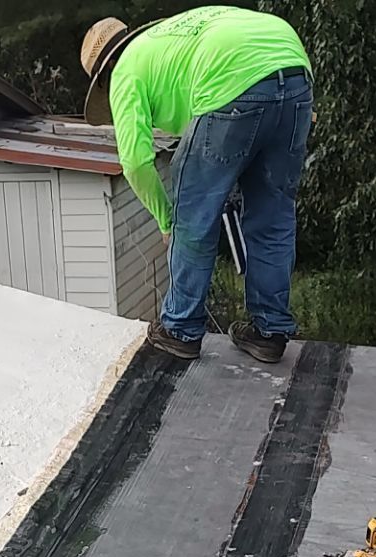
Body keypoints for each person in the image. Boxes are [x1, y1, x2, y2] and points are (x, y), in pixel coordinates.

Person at [81, 7, 312, 363]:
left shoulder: (125, 70)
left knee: (192, 218)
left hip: (230, 79)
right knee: (273, 217)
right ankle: (269, 332)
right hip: (293, 65)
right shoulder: (167, 42)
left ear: (105, 73)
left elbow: (136, 163)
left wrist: (166, 221)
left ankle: (180, 329)